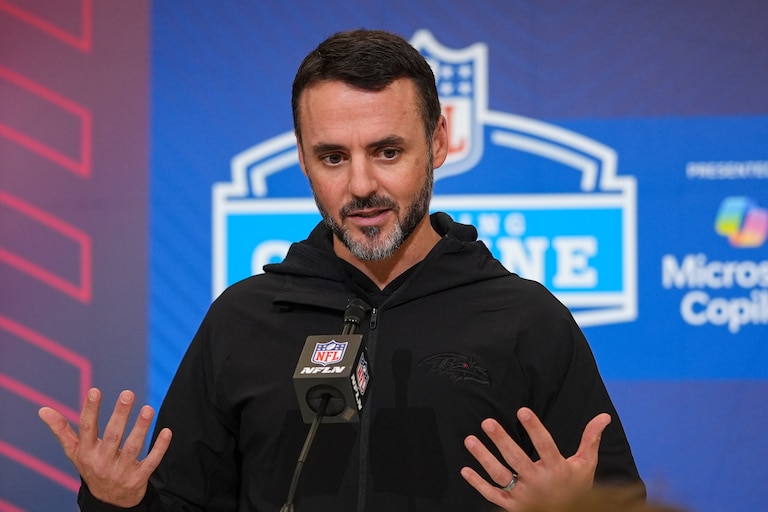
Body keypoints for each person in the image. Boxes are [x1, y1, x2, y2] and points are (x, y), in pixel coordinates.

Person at [39, 29, 643, 511]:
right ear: (302, 159)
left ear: (437, 142)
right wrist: (117, 502)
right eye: (333, 156)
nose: (361, 186)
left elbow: (620, 504)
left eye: (387, 151)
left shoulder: (526, 320)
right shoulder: (245, 319)